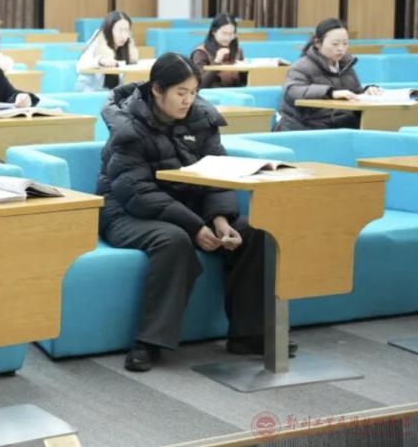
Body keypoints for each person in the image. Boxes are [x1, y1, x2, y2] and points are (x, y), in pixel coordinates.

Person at [97, 53, 292, 372]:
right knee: (173, 240)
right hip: (127, 212)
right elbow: (136, 193)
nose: (188, 100)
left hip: (188, 211)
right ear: (157, 90)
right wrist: (195, 227)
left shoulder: (202, 118)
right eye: (180, 93)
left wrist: (219, 220)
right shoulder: (127, 125)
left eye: (193, 92)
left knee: (255, 232)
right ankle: (149, 341)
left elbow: (217, 172)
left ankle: (249, 333)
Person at [275, 18, 381, 131]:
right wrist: (330, 92)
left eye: (345, 43)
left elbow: (355, 92)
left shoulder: (345, 65)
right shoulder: (301, 66)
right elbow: (292, 91)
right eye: (335, 44)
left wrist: (367, 91)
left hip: (339, 123)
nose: (341, 49)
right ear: (318, 43)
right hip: (307, 126)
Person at [75, 10, 140, 91]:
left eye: (126, 31)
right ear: (109, 30)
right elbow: (80, 65)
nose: (124, 36)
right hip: (89, 91)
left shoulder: (126, 49)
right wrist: (100, 61)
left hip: (112, 93)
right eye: (120, 31)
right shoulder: (98, 43)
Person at [190, 13, 246, 88]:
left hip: (237, 91)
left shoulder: (237, 51)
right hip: (212, 93)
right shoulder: (200, 52)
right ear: (214, 32)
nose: (228, 38)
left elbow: (243, 81)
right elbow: (200, 84)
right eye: (224, 33)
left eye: (231, 34)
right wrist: (217, 61)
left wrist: (246, 70)